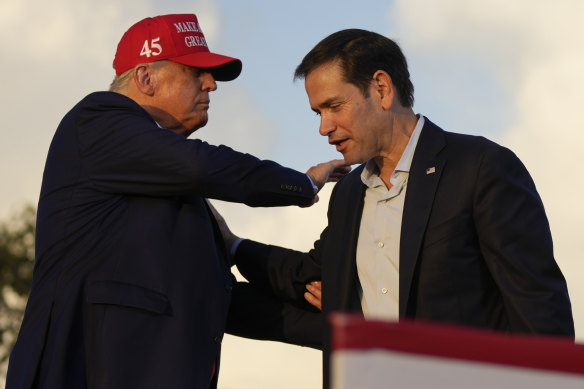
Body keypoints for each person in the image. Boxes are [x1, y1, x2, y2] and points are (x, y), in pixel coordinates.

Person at [5, 14, 348, 389]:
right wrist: (303, 183)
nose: (211, 84)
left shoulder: (167, 182)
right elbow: (202, 164)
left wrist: (342, 328)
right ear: (145, 78)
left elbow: (217, 298)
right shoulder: (97, 119)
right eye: (193, 71)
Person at [225, 29, 575, 388]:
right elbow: (309, 277)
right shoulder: (347, 194)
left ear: (381, 89)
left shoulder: (481, 168)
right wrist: (233, 246)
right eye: (318, 112)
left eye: (334, 106)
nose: (323, 127)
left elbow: (537, 307)